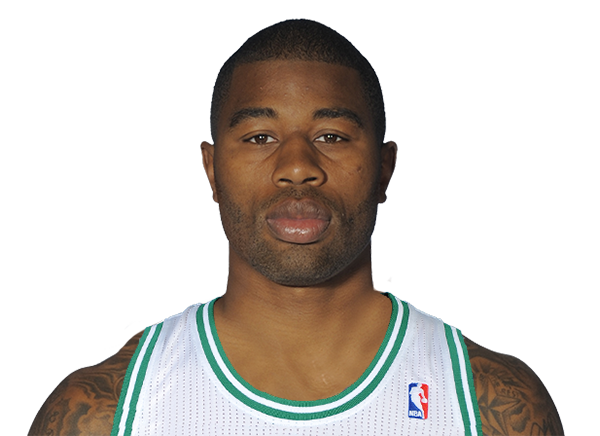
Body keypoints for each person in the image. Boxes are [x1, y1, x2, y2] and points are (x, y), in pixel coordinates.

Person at [29, 20, 563, 436]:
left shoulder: (493, 407)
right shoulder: (105, 413)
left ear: (384, 169)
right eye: (259, 137)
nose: (297, 166)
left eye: (332, 135)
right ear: (212, 170)